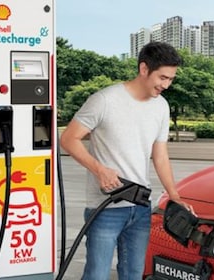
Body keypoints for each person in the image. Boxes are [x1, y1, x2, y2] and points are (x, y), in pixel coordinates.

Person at [59, 42, 193, 280]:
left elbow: (160, 155)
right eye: (162, 77)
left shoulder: (161, 107)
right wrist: (99, 170)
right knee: (97, 276)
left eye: (171, 79)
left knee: (132, 274)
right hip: (105, 208)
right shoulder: (104, 100)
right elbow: (68, 139)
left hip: (140, 207)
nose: (166, 85)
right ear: (144, 68)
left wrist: (175, 196)